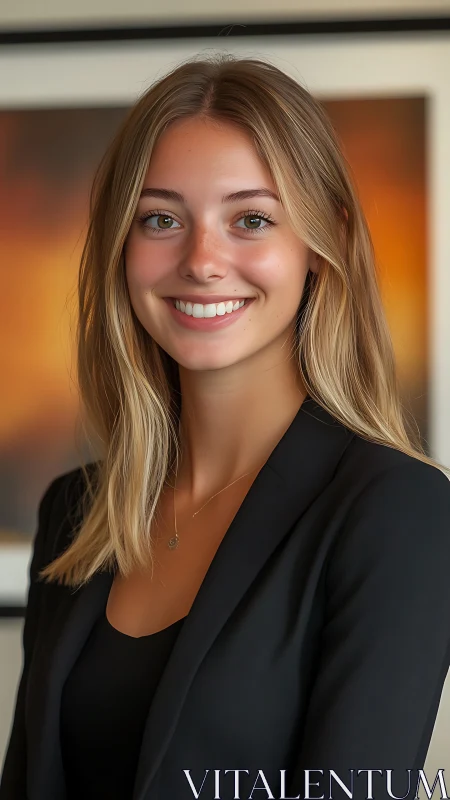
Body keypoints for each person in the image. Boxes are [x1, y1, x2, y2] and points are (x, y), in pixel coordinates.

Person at [1, 52, 450, 800]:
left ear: (323, 243)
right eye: (161, 219)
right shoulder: (75, 511)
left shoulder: (398, 512)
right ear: (121, 246)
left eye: (251, 219)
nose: (203, 261)